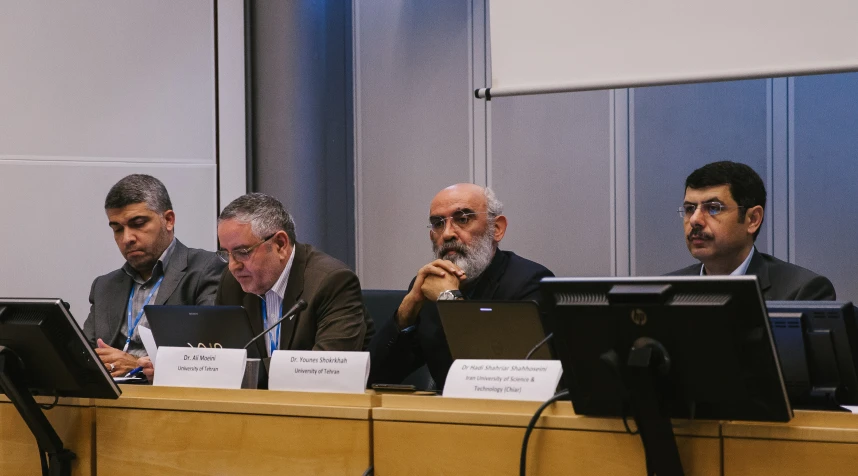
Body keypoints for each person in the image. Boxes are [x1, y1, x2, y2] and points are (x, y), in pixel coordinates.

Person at [368, 183, 554, 390]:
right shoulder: (429, 288)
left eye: (462, 219)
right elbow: (374, 378)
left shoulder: (529, 282)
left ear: (497, 229)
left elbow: (500, 380)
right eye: (438, 223)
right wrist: (406, 313)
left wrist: (450, 300)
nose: (447, 234)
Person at [83, 174, 226, 380]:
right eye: (117, 229)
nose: (127, 238)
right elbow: (83, 354)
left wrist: (135, 365)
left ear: (168, 220)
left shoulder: (206, 269)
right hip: (108, 399)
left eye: (138, 224)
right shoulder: (104, 286)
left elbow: (211, 357)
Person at [215, 193, 373, 358]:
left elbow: (326, 366)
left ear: (280, 244)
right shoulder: (232, 283)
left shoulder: (332, 282)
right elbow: (221, 357)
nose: (233, 266)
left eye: (242, 252)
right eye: (226, 253)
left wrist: (251, 369)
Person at [668, 161, 835, 300]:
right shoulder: (665, 291)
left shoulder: (801, 293)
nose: (695, 220)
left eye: (713, 208)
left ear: (753, 219)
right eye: (689, 208)